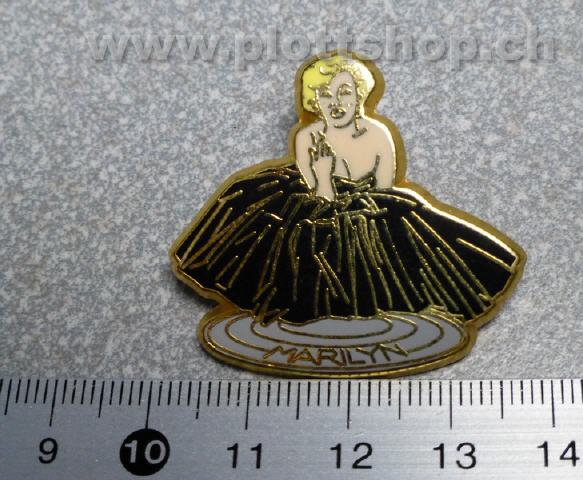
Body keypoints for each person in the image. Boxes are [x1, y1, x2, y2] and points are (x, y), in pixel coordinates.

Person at [170, 53, 524, 327]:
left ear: (359, 96)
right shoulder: (308, 136)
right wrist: (324, 176)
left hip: (372, 211)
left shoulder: (379, 135)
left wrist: (360, 206)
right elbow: (320, 196)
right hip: (315, 207)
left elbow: (385, 191)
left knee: (406, 222)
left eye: (344, 92)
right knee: (270, 212)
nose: (335, 103)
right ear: (314, 102)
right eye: (324, 95)